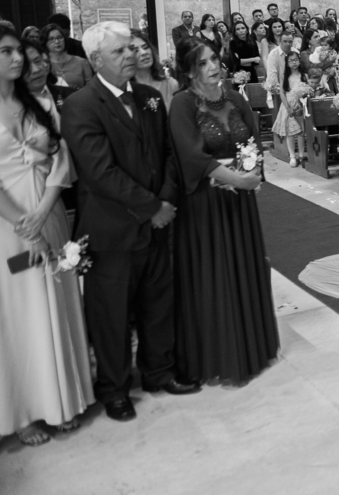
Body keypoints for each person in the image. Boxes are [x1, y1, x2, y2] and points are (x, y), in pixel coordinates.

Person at [62, 22, 199, 422]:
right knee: (112, 315)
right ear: (95, 60)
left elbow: (168, 154)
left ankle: (159, 371)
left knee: (158, 303)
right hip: (114, 228)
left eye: (131, 49)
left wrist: (168, 199)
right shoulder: (80, 105)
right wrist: (151, 206)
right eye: (120, 52)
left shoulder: (148, 97)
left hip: (158, 221)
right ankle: (115, 388)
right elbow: (101, 172)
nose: (131, 56)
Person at [0, 22, 92, 446]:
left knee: (55, 297)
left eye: (18, 51)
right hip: (9, 228)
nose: (17, 59)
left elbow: (59, 158)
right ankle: (24, 412)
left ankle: (62, 399)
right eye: (6, 52)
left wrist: (42, 211)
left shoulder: (36, 101)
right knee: (20, 311)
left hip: (49, 213)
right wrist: (24, 222)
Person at [170, 38, 278, 383]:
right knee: (215, 271)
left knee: (244, 266)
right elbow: (191, 156)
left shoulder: (233, 97)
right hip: (207, 202)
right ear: (189, 70)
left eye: (214, 59)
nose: (212, 66)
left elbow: (252, 138)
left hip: (240, 200)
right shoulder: (182, 104)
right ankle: (223, 354)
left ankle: (252, 346)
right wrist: (235, 178)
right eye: (202, 63)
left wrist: (254, 171)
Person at [272, 50, 308, 167]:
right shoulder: (284, 76)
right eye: (291, 61)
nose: (294, 63)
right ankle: (292, 156)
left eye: (296, 60)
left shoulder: (303, 75)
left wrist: (303, 106)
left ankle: (301, 155)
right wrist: (288, 107)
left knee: (301, 132)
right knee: (290, 133)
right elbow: (282, 92)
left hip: (300, 106)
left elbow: (307, 91)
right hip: (288, 106)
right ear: (287, 63)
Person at [131, 30, 179, 109]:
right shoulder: (125, 90)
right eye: (136, 50)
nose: (143, 52)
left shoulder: (170, 85)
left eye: (145, 47)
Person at [43, 23, 94, 90]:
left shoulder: (82, 62)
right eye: (51, 39)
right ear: (45, 42)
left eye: (60, 37)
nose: (57, 41)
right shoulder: (43, 64)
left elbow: (91, 89)